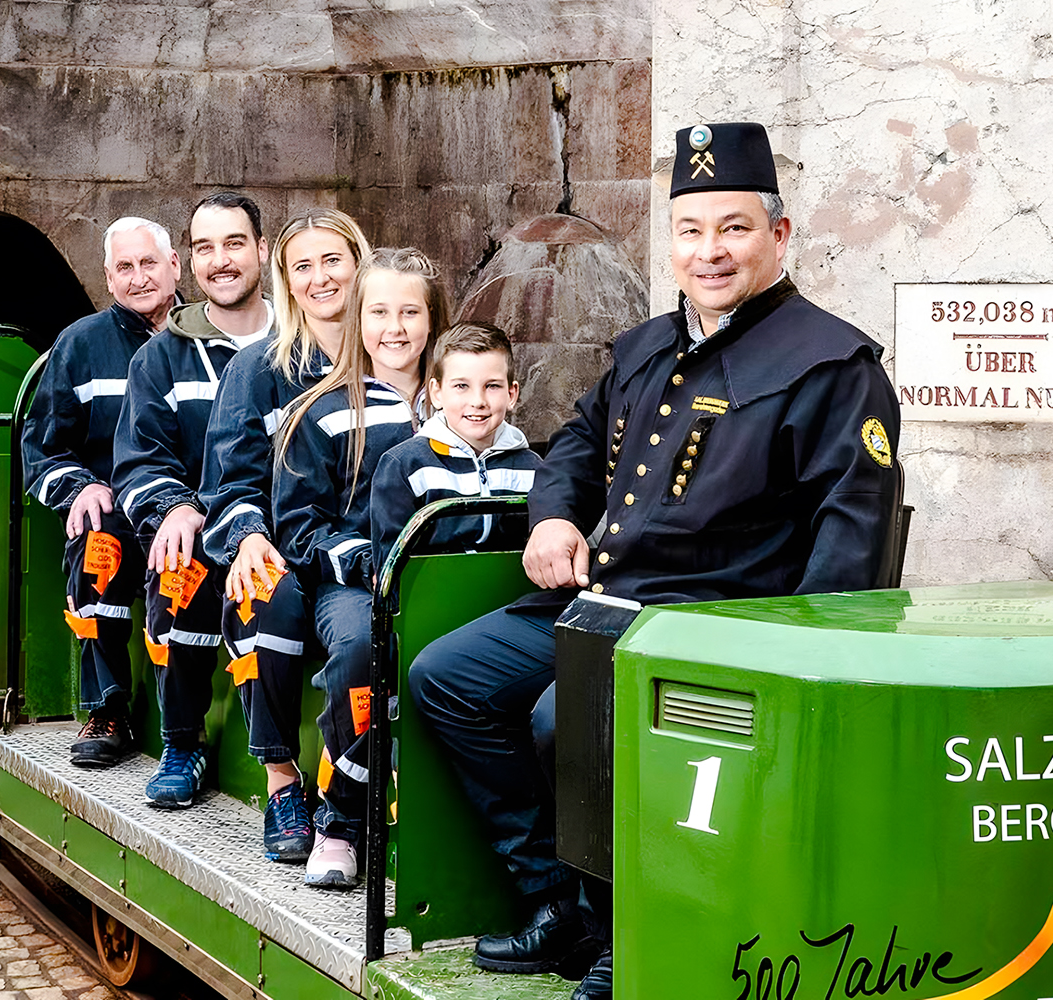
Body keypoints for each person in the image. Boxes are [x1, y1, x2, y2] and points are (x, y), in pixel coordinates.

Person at [407, 121, 902, 999]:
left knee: (573, 718)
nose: (709, 252)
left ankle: (630, 938)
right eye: (690, 230)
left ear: (779, 235)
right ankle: (558, 902)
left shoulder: (833, 363)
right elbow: (570, 449)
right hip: (605, 600)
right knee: (448, 677)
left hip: (715, 625)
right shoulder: (643, 347)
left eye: (735, 228)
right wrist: (554, 521)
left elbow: (851, 537)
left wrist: (800, 668)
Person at [266, 247, 449, 888]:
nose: (394, 328)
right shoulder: (319, 411)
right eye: (378, 312)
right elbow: (296, 524)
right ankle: (339, 821)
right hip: (353, 586)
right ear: (357, 318)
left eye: (409, 312)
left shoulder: (459, 403)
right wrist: (363, 561)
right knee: (359, 654)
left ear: (433, 320)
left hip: (441, 576)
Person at [199, 209, 371, 863]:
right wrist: (245, 537)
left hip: (354, 555)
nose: (321, 277)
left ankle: (347, 784)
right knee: (266, 595)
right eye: (304, 266)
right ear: (286, 281)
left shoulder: (389, 352)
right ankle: (283, 784)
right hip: (281, 545)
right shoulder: (259, 369)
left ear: (360, 266)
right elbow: (229, 480)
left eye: (334, 260)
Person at [111, 191, 273, 808]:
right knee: (176, 570)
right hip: (202, 528)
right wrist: (173, 507)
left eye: (234, 244)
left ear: (261, 250)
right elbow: (141, 457)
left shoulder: (303, 345)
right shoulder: (161, 357)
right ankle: (183, 740)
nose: (221, 261)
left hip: (284, 527)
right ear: (190, 262)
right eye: (205, 248)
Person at [22, 216, 178, 767]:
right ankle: (108, 704)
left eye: (149, 263)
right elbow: (41, 447)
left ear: (174, 267)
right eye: (125, 268)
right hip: (116, 514)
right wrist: (80, 488)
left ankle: (184, 725)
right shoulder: (80, 345)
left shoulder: (208, 341)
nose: (139, 278)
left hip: (190, 514)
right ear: (109, 279)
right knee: (99, 544)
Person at [370, 321, 542, 571]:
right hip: (431, 598)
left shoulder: (535, 469)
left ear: (512, 394)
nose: (478, 401)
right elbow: (391, 566)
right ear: (437, 393)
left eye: (492, 386)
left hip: (514, 596)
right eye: (461, 386)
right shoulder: (404, 467)